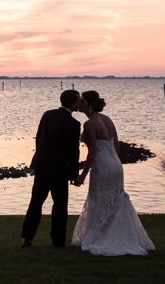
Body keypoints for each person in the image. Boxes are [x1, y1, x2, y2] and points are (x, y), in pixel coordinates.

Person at [71, 90, 155, 256]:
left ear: (88, 104)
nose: (79, 104)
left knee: (99, 199)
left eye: (81, 101)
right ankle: (119, 235)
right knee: (115, 200)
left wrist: (83, 175)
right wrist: (115, 163)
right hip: (116, 165)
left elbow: (93, 152)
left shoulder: (89, 125)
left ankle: (101, 237)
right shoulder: (108, 120)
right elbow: (116, 146)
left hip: (102, 166)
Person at [21, 89, 82, 248]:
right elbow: (73, 151)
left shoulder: (48, 115)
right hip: (59, 169)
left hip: (42, 165)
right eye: (78, 100)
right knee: (60, 205)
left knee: (36, 202)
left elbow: (39, 136)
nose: (80, 102)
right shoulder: (74, 124)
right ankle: (58, 241)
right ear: (73, 103)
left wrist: (39, 157)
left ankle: (27, 238)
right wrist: (74, 174)